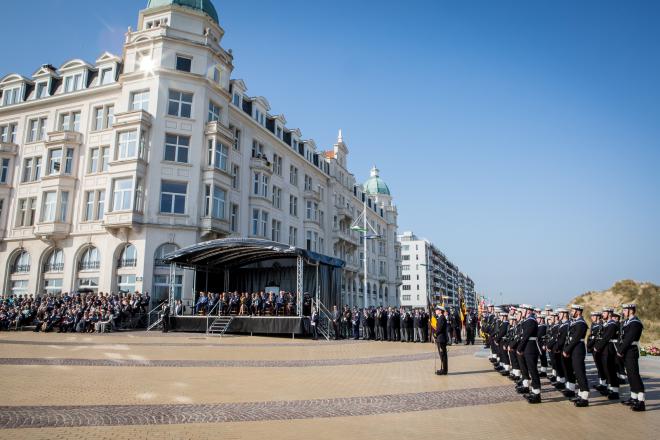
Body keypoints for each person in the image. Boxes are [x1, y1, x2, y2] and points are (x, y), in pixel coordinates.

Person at [618, 303, 646, 411]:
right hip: (626, 351)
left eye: (625, 310)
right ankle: (634, 398)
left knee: (634, 376)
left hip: (631, 351)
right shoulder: (626, 322)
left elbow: (629, 339)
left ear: (631, 311)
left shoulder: (635, 323)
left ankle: (641, 401)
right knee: (630, 376)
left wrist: (620, 350)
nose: (623, 312)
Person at [563, 304, 589, 407]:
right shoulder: (575, 323)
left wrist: (567, 350)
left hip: (578, 350)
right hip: (574, 350)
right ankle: (581, 394)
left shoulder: (581, 323)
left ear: (578, 311)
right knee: (577, 373)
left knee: (580, 372)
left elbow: (575, 339)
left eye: (573, 310)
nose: (571, 312)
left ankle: (585, 397)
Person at [594, 307, 619, 399]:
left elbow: (606, 338)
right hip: (605, 349)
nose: (602, 314)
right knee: (607, 369)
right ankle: (610, 388)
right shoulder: (606, 324)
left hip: (609, 348)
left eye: (604, 313)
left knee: (611, 370)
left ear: (609, 314)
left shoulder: (612, 324)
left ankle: (615, 391)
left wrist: (597, 347)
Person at [518, 304, 541, 404]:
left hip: (531, 348)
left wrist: (520, 348)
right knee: (531, 370)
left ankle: (536, 394)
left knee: (533, 371)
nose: (521, 311)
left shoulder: (531, 320)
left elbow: (526, 336)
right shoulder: (528, 320)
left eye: (523, 309)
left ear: (528, 311)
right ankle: (534, 391)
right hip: (528, 348)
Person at [434, 306, 448, 375]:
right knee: (442, 355)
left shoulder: (441, 318)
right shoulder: (440, 318)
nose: (435, 311)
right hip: (440, 338)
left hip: (441, 339)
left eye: (437, 310)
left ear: (440, 311)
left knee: (443, 355)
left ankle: (444, 370)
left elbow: (439, 329)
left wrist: (435, 334)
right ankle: (443, 369)